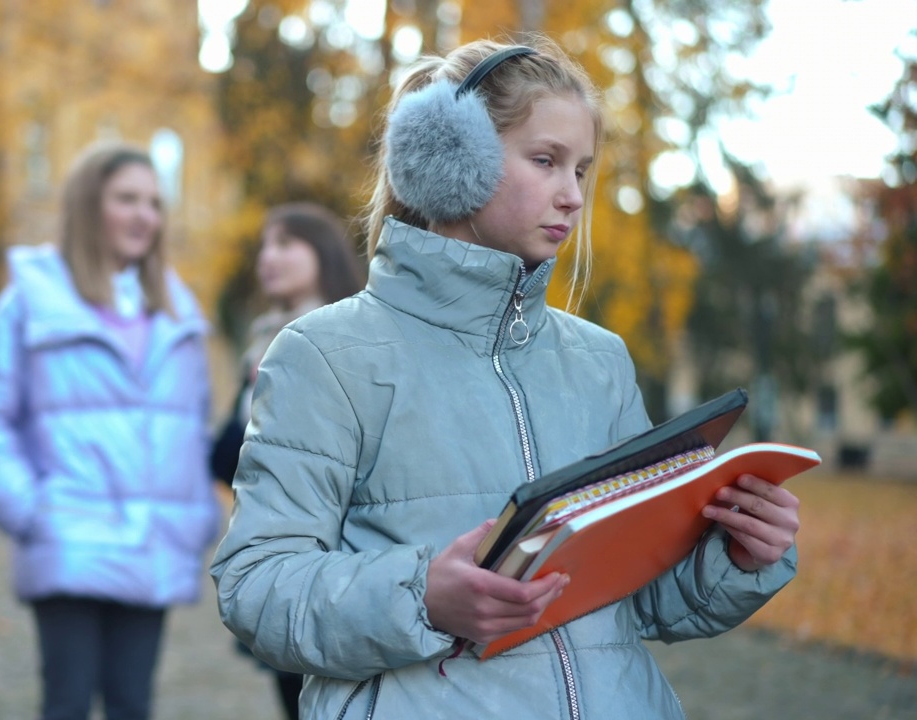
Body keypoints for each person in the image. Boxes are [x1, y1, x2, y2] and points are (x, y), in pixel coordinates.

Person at [210, 36, 802, 720]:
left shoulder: (599, 361)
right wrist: (423, 595)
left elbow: (639, 595)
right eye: (546, 161)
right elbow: (255, 587)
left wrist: (737, 553)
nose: (572, 195)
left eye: (582, 170)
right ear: (448, 162)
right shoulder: (325, 354)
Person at [0, 141, 218, 720]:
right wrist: (32, 509)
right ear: (88, 205)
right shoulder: (31, 300)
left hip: (153, 542)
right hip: (70, 540)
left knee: (132, 705)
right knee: (66, 705)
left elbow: (190, 425)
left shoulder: (177, 308)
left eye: (154, 202)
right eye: (127, 198)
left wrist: (194, 515)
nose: (145, 214)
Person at [209, 202, 364, 719]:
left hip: (339, 567)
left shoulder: (353, 338)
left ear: (321, 253)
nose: (267, 258)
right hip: (280, 563)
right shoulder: (261, 342)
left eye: (284, 243)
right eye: (263, 246)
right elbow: (231, 459)